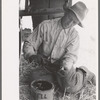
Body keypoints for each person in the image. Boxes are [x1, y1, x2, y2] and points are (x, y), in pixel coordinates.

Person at [23, 1, 96, 94]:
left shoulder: (74, 36)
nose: (70, 23)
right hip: (45, 67)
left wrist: (66, 66)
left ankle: (84, 73)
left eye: (74, 22)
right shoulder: (46, 25)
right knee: (35, 80)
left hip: (61, 68)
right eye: (70, 17)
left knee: (70, 88)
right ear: (66, 12)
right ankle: (59, 82)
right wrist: (31, 55)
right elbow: (29, 43)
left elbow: (71, 56)